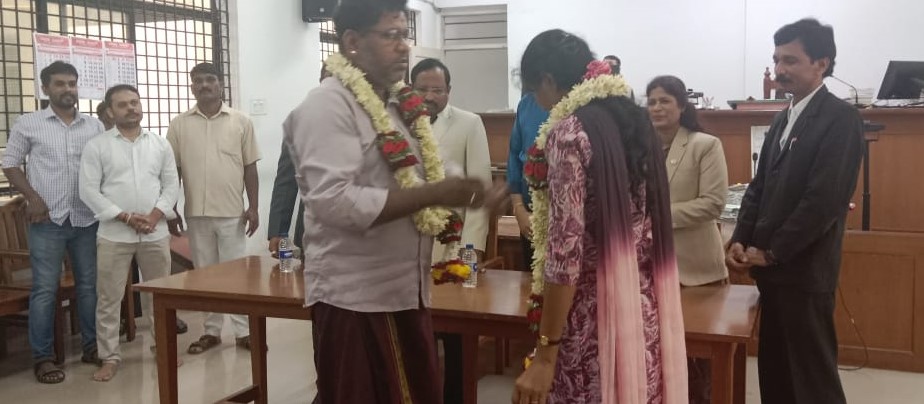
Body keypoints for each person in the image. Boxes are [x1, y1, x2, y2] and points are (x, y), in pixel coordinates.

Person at [284, 0, 505, 402]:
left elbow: (423, 171)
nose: (404, 46)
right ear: (352, 41)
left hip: (406, 291)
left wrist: (467, 190)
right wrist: (434, 194)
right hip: (356, 300)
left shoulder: (399, 103)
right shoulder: (326, 106)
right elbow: (335, 202)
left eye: (405, 35)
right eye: (391, 35)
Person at [512, 29, 687, 404]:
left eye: (534, 90)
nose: (537, 101)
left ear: (548, 80)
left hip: (593, 317)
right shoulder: (636, 122)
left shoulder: (569, 133)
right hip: (643, 306)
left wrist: (546, 353)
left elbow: (565, 255)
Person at [726, 18, 863, 404]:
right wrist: (740, 239)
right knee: (777, 375)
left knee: (811, 380)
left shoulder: (840, 119)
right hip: (771, 273)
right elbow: (758, 188)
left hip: (804, 271)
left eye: (790, 60)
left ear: (821, 63)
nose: (780, 70)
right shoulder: (782, 117)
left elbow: (823, 201)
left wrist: (773, 251)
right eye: (776, 60)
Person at [1, 61, 103, 384]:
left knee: (89, 286)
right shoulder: (29, 123)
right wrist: (32, 197)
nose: (67, 89)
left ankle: (91, 347)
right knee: (45, 289)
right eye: (60, 84)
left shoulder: (94, 127)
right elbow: (10, 163)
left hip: (86, 218)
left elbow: (105, 166)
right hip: (47, 219)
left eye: (72, 83)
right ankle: (43, 358)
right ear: (45, 89)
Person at [78, 84, 180, 381]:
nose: (131, 108)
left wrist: (155, 215)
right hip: (114, 234)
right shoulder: (97, 146)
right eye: (122, 104)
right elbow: (88, 190)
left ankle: (162, 348)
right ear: (110, 112)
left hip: (154, 231)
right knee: (109, 298)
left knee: (159, 295)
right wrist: (124, 216)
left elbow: (171, 185)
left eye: (134, 102)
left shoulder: (159, 144)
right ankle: (109, 357)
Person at [411, 57, 492, 404]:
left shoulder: (468, 123)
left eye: (438, 90)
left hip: (452, 246)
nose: (430, 96)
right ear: (411, 89)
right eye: (423, 89)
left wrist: (470, 251)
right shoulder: (397, 123)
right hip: (407, 246)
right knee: (416, 335)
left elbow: (480, 190)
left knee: (455, 334)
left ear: (449, 91)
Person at [166, 62, 261, 353]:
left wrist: (254, 206)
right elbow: (172, 171)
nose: (204, 85)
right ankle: (211, 331)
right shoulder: (179, 125)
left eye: (210, 79)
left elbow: (250, 167)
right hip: (196, 213)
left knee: (235, 274)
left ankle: (243, 331)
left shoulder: (241, 121)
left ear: (220, 84)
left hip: (232, 212)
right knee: (204, 274)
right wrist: (171, 207)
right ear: (192, 86)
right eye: (198, 80)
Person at [647, 75, 728, 403]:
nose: (657, 108)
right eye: (652, 102)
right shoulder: (639, 150)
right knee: (658, 357)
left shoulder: (704, 145)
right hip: (650, 270)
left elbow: (713, 204)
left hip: (696, 273)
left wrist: (655, 217)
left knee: (698, 361)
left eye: (665, 101)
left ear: (681, 106)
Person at [267, 65, 331, 257]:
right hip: (313, 233)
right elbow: (287, 181)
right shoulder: (301, 121)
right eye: (329, 78)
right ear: (321, 81)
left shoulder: (369, 119)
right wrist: (279, 231)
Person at [507, 92, 548, 270]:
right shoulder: (527, 103)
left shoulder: (586, 102)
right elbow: (515, 155)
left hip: (571, 217)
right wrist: (519, 208)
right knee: (532, 279)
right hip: (530, 215)